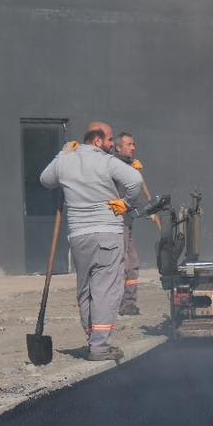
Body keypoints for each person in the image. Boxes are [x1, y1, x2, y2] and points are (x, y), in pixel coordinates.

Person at [39, 125, 144, 361]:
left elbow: (45, 180)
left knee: (85, 290)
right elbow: (135, 182)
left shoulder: (66, 160)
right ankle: (100, 347)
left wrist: (62, 154)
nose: (111, 145)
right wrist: (126, 203)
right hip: (108, 232)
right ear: (97, 141)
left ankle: (92, 338)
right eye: (108, 140)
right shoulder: (106, 161)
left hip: (79, 236)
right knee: (105, 290)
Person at [113, 132, 145, 316]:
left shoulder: (128, 166)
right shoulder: (114, 166)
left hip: (128, 221)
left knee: (132, 262)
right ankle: (119, 303)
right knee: (123, 263)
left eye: (134, 144)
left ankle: (129, 303)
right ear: (118, 147)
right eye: (129, 144)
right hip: (118, 222)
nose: (133, 147)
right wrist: (132, 172)